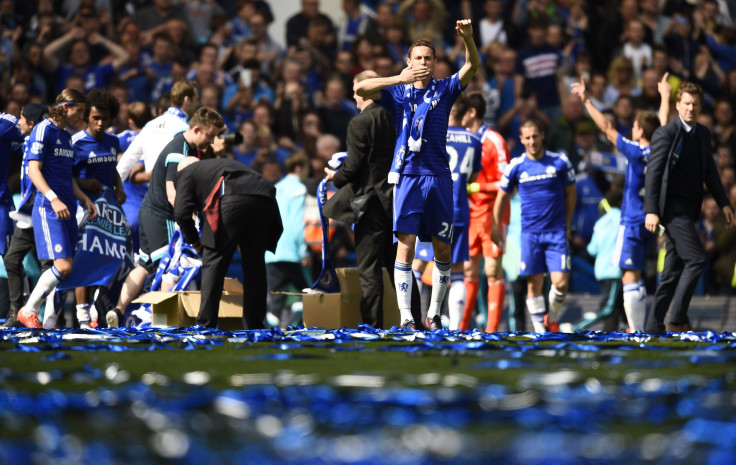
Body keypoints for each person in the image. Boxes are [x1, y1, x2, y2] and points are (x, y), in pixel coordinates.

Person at [354, 19, 480, 330]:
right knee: (406, 245)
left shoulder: (446, 88)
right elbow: (360, 88)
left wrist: (468, 39)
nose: (423, 63)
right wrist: (398, 77)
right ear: (410, 62)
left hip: (438, 176)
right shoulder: (398, 92)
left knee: (442, 247)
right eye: (418, 58)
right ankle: (407, 317)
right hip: (408, 175)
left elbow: (473, 65)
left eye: (428, 58)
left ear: (436, 63)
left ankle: (434, 315)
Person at [107, 107, 225, 327]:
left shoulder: (183, 145)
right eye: (209, 135)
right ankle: (164, 322)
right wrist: (188, 215)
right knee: (170, 266)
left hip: (148, 211)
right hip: (162, 216)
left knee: (144, 264)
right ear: (197, 129)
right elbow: (172, 191)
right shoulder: (179, 150)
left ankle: (119, 309)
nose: (211, 141)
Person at [571, 74, 664, 331]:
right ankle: (637, 327)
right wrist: (665, 97)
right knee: (639, 276)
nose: (631, 130)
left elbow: (607, 129)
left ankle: (636, 331)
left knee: (629, 276)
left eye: (634, 127)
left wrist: (587, 101)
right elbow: (664, 121)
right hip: (652, 220)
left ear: (640, 131)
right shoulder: (661, 151)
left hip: (633, 220)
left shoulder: (634, 151)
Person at [644, 82, 735, 332]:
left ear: (700, 106)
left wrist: (724, 204)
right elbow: (653, 173)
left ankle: (653, 326)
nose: (691, 108)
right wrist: (651, 210)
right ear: (677, 105)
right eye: (686, 103)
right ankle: (677, 319)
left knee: (672, 271)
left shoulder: (703, 134)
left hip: (688, 209)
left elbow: (710, 173)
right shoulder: (666, 133)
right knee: (696, 259)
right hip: (671, 210)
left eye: (695, 104)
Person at [17, 89, 97, 328]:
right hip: (49, 208)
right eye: (80, 111)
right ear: (65, 108)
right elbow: (34, 171)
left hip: (68, 208)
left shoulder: (66, 136)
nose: (82, 117)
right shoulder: (44, 129)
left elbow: (67, 177)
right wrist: (53, 198)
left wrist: (83, 198)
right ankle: (27, 310)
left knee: (66, 271)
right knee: (63, 265)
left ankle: (49, 324)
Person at [323, 70, 397, 328]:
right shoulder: (390, 117)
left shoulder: (359, 122)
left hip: (368, 203)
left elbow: (354, 166)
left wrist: (336, 177)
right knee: (399, 267)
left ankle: (373, 325)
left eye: (355, 89)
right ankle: (411, 320)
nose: (353, 95)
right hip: (392, 202)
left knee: (369, 269)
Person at [173, 157, 283, 329]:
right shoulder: (218, 165)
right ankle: (254, 325)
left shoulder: (186, 172)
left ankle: (205, 324)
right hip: (266, 198)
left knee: (214, 261)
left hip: (234, 197)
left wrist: (195, 241)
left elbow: (180, 213)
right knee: (255, 265)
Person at [492, 120, 577, 333]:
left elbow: (571, 193)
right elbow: (501, 196)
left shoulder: (560, 162)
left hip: (556, 232)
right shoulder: (516, 165)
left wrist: (567, 223)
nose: (532, 141)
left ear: (542, 136)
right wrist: (495, 224)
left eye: (535, 136)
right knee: (534, 285)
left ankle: (553, 317)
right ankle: (541, 331)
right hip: (529, 234)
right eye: (527, 138)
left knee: (560, 283)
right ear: (521, 139)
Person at [71, 89, 126, 328]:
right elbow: (65, 175)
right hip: (84, 208)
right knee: (83, 260)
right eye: (96, 118)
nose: (100, 123)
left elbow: (112, 167)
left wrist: (119, 186)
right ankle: (82, 316)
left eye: (105, 118)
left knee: (108, 257)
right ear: (87, 117)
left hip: (108, 210)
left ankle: (96, 308)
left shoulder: (113, 141)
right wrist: (83, 183)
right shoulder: (77, 142)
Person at [461, 92, 510, 332]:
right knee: (468, 270)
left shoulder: (494, 140)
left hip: (493, 212)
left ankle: (492, 331)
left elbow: (506, 181)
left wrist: (478, 186)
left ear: (472, 113)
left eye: (462, 111)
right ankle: (462, 328)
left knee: (492, 270)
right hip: (468, 214)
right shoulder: (460, 138)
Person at [1, 104, 47, 328]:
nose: (19, 122)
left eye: (23, 119)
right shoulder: (26, 143)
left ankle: (43, 314)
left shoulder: (39, 144)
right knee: (13, 258)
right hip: (28, 212)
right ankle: (19, 312)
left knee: (49, 265)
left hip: (41, 210)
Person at [266, 153, 309, 329]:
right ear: (299, 168)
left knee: (276, 297)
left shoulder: (276, 188)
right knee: (306, 293)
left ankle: (269, 332)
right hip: (291, 251)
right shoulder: (299, 189)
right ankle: (293, 323)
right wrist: (303, 251)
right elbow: (297, 223)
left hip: (271, 250)